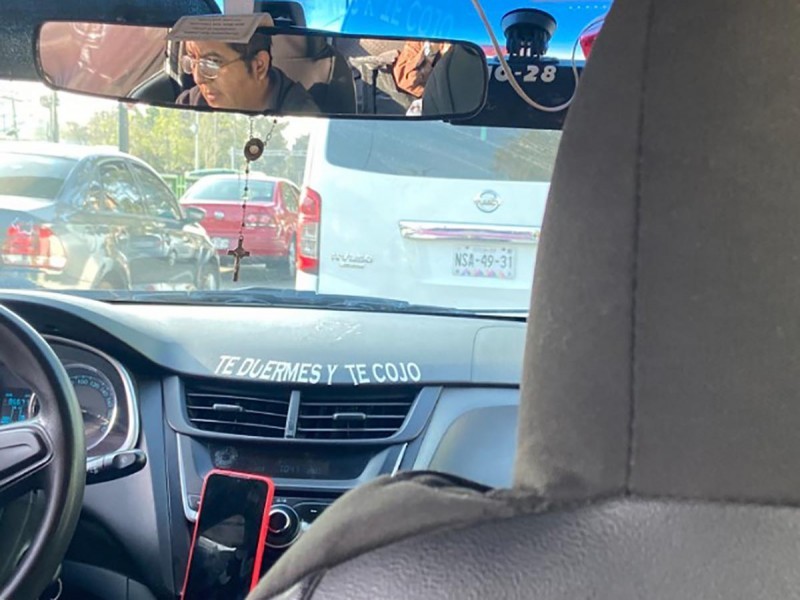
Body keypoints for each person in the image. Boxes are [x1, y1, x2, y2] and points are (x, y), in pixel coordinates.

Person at [176, 31, 319, 114]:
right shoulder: (189, 104)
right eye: (192, 60)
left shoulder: (303, 119)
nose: (197, 78)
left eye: (212, 62)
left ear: (259, 66)